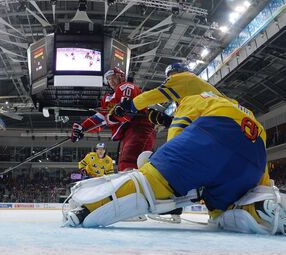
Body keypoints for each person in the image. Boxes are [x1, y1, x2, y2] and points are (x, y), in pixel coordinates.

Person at [63, 88, 286, 235]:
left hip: (215, 135)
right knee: (222, 213)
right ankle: (262, 209)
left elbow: (178, 134)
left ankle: (85, 209)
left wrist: (160, 165)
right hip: (253, 159)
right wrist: (263, 189)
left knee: (150, 184)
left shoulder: (195, 98)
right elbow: (260, 166)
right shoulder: (242, 110)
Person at [71, 67, 155, 171]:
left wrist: (113, 116)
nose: (111, 81)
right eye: (109, 79)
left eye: (113, 77)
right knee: (125, 166)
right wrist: (82, 128)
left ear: (121, 77)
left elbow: (126, 112)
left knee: (129, 163)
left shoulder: (125, 86)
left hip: (138, 128)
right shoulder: (108, 98)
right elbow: (100, 117)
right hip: (128, 132)